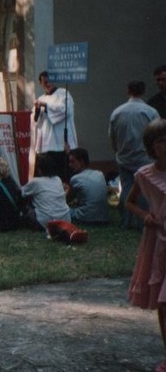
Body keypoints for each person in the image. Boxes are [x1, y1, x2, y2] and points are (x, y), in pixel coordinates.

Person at [126, 118, 166, 372]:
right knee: (163, 303)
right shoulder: (145, 174)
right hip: (159, 241)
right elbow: (129, 202)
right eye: (162, 141)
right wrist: (146, 216)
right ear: (152, 146)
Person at [110, 80, 160, 228]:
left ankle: (125, 221)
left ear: (128, 91)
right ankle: (141, 222)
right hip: (144, 158)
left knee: (126, 188)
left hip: (124, 157)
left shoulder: (117, 112)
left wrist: (118, 152)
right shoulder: (150, 112)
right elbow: (157, 135)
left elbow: (112, 137)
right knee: (144, 190)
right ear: (143, 91)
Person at [34, 71, 78, 181]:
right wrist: (37, 110)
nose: (48, 84)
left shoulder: (64, 93)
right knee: (50, 176)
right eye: (45, 82)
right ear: (41, 83)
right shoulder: (40, 98)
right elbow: (36, 122)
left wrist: (46, 105)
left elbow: (65, 110)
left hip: (62, 145)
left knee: (64, 175)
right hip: (47, 145)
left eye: (50, 81)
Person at [21, 153, 71, 230]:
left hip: (45, 221)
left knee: (27, 205)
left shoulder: (36, 182)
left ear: (38, 168)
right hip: (65, 219)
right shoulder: (57, 180)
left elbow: (21, 193)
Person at [65, 148, 110, 225]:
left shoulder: (75, 178)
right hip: (103, 217)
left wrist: (65, 190)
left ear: (81, 162)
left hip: (86, 217)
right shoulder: (99, 174)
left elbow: (67, 199)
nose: (70, 165)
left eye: (72, 162)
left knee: (62, 211)